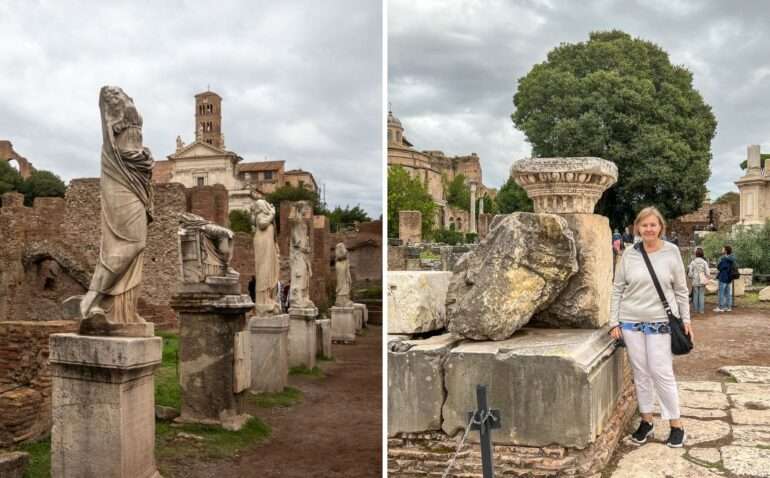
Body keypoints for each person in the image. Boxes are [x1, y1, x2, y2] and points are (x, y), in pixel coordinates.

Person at [609, 206, 693, 448]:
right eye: (644, 225)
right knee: (640, 373)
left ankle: (676, 425)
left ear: (660, 227)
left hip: (660, 321)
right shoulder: (629, 254)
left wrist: (686, 320)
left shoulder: (672, 252)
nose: (648, 229)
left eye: (653, 225)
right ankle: (646, 421)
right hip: (631, 320)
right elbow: (617, 288)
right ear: (637, 228)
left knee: (661, 372)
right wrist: (614, 321)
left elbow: (680, 289)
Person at [688, 247, 709, 314]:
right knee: (701, 295)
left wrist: (692, 276)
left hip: (695, 281)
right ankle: (701, 310)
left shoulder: (693, 262)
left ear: (696, 254)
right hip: (702, 280)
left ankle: (696, 310)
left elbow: (690, 273)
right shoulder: (704, 262)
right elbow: (708, 273)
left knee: (695, 295)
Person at [715, 245, 736, 312]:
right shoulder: (732, 258)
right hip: (729, 277)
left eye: (723, 249)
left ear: (726, 251)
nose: (722, 250)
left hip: (723, 277)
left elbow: (719, 267)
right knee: (728, 293)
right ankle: (728, 307)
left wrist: (718, 265)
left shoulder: (723, 259)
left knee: (721, 293)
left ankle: (721, 307)